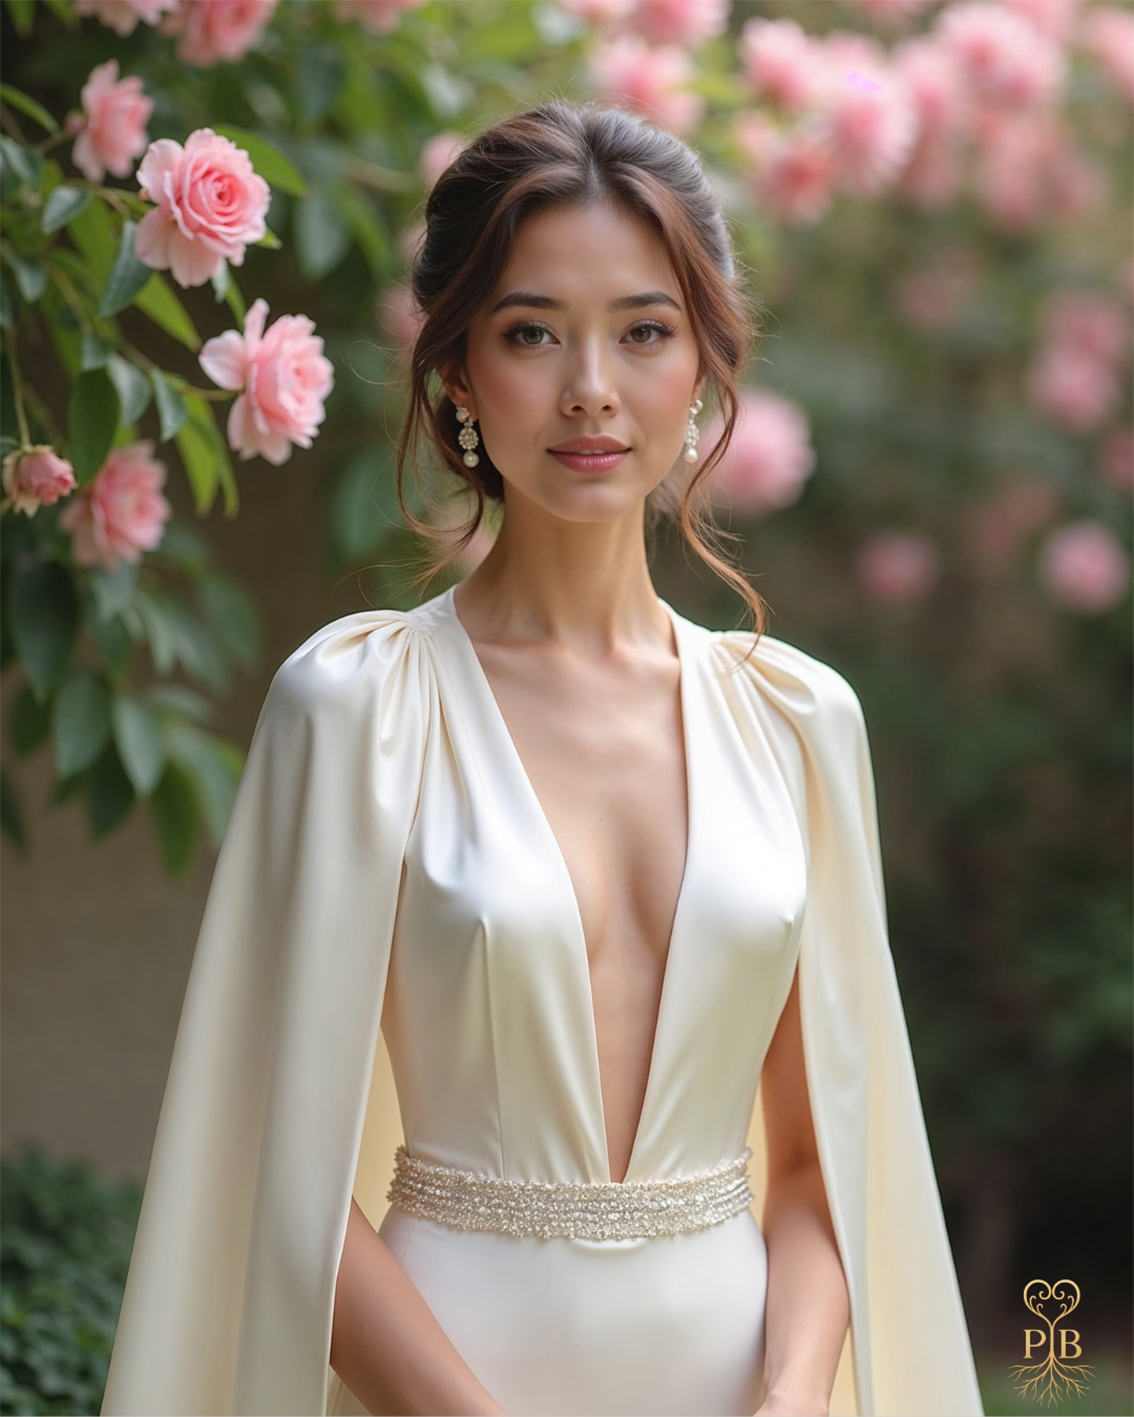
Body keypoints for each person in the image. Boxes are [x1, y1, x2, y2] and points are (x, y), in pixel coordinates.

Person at [100, 102, 984, 1417]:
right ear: (456, 371)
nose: (590, 388)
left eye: (643, 331)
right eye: (531, 332)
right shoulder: (359, 710)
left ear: (704, 364)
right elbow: (278, 1178)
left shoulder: (799, 723)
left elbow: (819, 1165)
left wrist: (796, 1396)